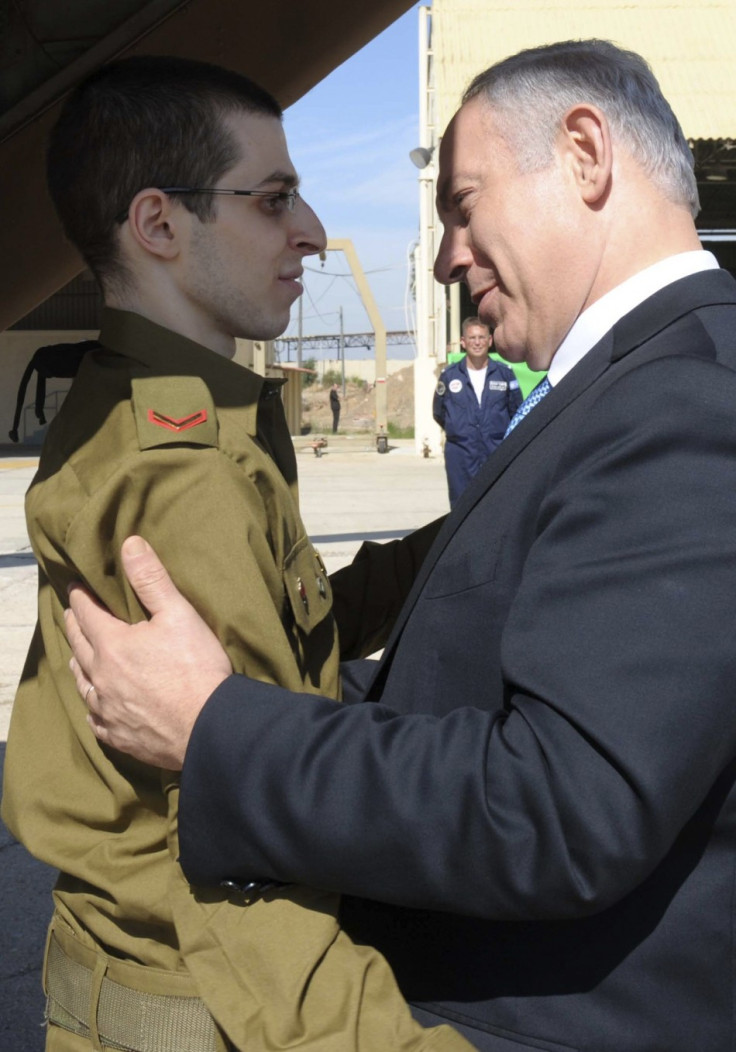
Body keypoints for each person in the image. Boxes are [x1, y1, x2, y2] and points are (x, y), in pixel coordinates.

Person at [63, 39, 736, 1051]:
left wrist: (214, 724)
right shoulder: (640, 383)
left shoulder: (684, 397)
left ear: (586, 155)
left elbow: (557, 804)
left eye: (463, 206)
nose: (443, 259)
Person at [0, 55, 470, 1052]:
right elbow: (245, 850)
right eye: (272, 200)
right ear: (161, 225)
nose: (307, 232)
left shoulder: (158, 408)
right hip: (204, 1004)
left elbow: (287, 633)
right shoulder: (186, 472)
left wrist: (470, 538)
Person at [433, 316, 521, 504]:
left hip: (496, 450)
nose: (477, 342)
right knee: (460, 506)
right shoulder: (450, 376)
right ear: (463, 342)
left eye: (482, 337)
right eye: (472, 338)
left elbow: (516, 410)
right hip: (461, 453)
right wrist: (462, 430)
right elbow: (439, 413)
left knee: (497, 504)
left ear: (490, 341)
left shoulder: (504, 374)